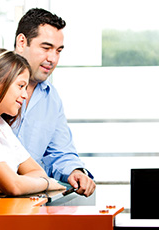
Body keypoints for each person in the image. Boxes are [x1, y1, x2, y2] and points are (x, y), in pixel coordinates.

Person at [13, 8, 96, 197]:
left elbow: (60, 152)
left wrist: (75, 172)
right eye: (46, 48)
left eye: (58, 51)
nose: (53, 59)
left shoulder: (51, 98)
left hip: (31, 200)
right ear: (21, 42)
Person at [0, 48, 65, 196]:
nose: (24, 95)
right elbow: (14, 187)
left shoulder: (1, 126)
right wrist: (48, 183)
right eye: (21, 86)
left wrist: (16, 181)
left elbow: (37, 172)